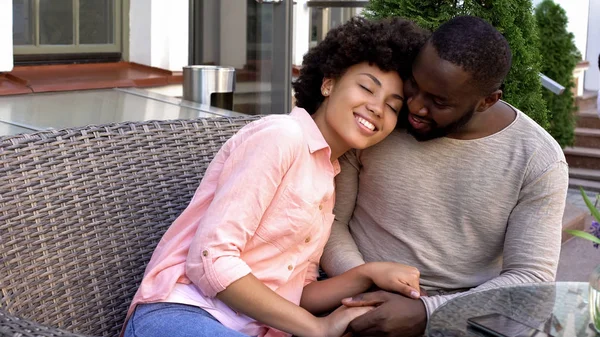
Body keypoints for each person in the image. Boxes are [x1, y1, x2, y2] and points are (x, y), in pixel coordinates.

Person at [122, 17, 429, 337]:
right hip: (182, 314)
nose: (377, 108)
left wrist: (366, 275)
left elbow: (296, 291)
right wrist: (317, 328)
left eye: (393, 107)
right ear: (329, 83)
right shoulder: (282, 137)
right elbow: (210, 260)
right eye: (366, 87)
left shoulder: (327, 175)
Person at [321, 15, 569, 336]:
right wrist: (363, 285)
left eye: (438, 101)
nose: (414, 106)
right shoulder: (379, 119)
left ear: (487, 100)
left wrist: (427, 311)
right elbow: (330, 220)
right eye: (415, 83)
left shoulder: (537, 158)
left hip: (466, 314)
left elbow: (531, 275)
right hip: (349, 294)